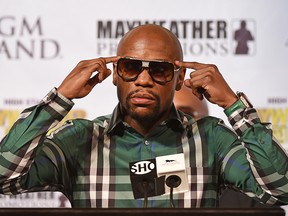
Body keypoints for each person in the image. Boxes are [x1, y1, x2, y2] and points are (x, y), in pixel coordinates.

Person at [0, 24, 288, 208]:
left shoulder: (211, 139)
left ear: (178, 79)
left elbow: (280, 190)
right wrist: (60, 99)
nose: (143, 80)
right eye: (131, 67)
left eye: (159, 70)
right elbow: (4, 178)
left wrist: (233, 105)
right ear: (115, 76)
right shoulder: (79, 139)